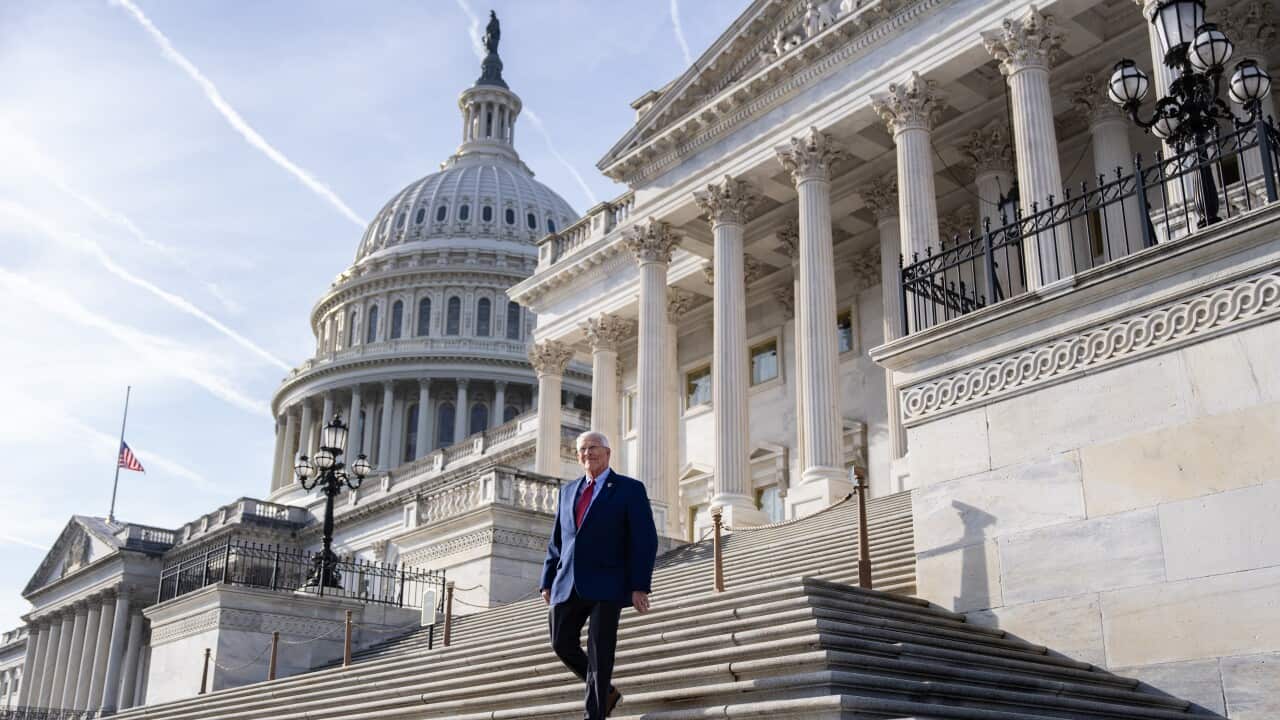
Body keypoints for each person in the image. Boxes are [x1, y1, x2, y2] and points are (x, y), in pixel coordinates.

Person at [540, 430, 658, 719]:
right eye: (582, 449)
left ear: (607, 453)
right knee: (561, 642)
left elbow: (645, 539)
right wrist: (547, 580)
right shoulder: (568, 491)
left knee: (599, 652)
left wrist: (639, 585)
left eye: (594, 447)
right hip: (568, 582)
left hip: (609, 582)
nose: (588, 453)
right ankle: (606, 693)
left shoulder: (629, 489)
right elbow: (558, 540)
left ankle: (594, 714)